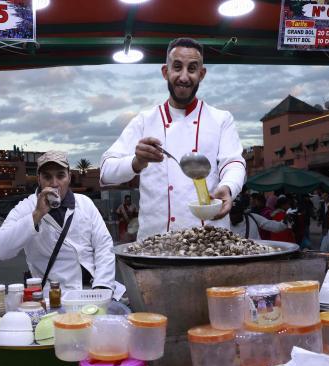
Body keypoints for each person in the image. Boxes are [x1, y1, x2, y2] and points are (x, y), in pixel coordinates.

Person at [99, 37, 246, 240]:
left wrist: (228, 187)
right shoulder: (144, 121)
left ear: (201, 74)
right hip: (156, 244)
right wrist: (136, 162)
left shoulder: (221, 119)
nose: (184, 77)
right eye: (177, 67)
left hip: (211, 242)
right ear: (165, 72)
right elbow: (106, 171)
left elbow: (234, 163)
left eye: (192, 68)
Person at [0, 151, 124, 298]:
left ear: (69, 177)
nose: (54, 183)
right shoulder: (26, 208)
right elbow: (0, 249)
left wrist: (102, 287)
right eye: (47, 177)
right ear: (39, 179)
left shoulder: (85, 204)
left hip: (91, 291)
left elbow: (104, 245)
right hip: (53, 296)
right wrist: (36, 215)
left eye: (60, 176)